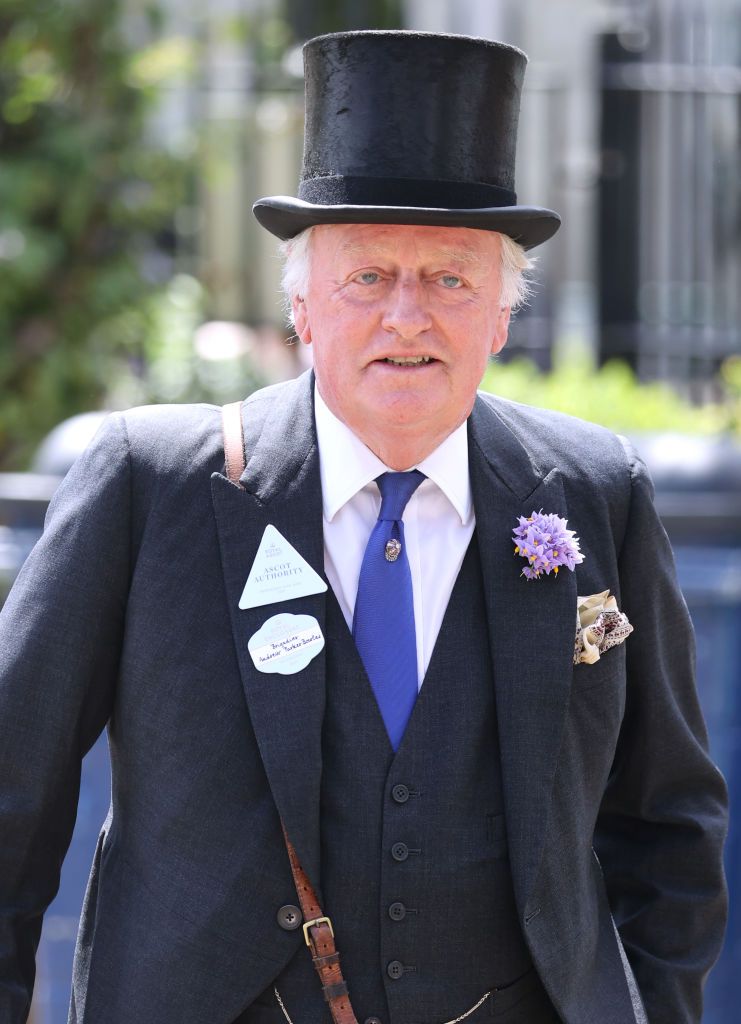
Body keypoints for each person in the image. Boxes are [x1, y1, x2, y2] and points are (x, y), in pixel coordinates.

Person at [0, 30, 728, 1024]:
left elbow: (670, 821)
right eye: (368, 277)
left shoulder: (597, 493)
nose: (408, 316)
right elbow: (10, 800)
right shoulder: (149, 487)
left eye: (450, 279)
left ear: (503, 317)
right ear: (301, 305)